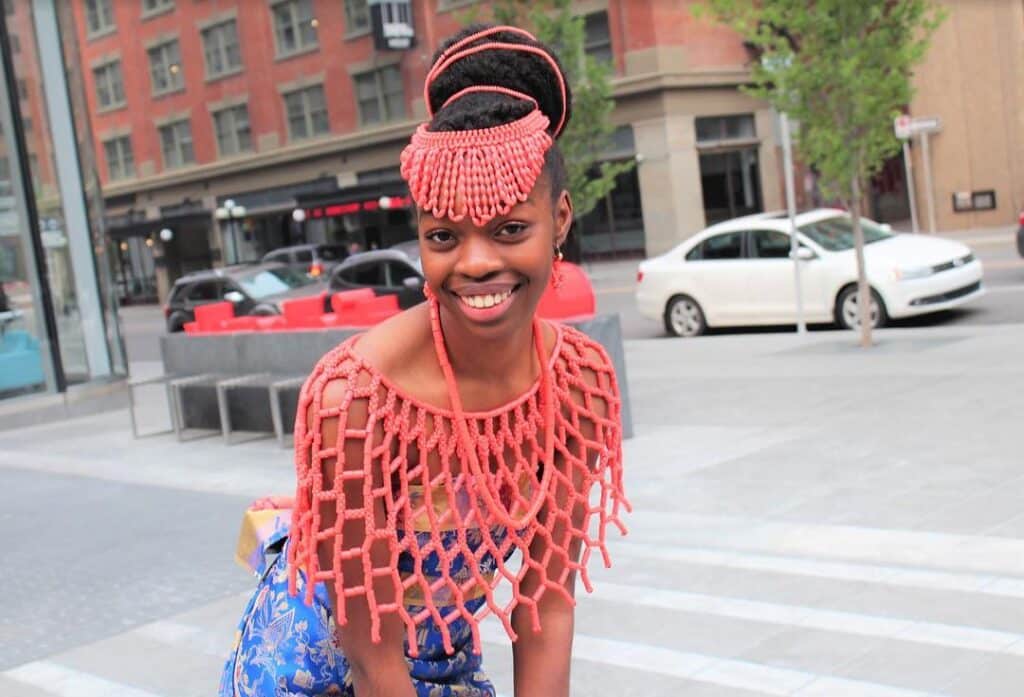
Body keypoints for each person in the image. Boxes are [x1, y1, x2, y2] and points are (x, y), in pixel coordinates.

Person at [220, 24, 628, 697]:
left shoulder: (578, 385)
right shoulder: (356, 399)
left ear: (560, 220)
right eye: (444, 235)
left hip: (441, 660)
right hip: (312, 672)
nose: (474, 262)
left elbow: (546, 604)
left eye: (509, 228)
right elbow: (369, 645)